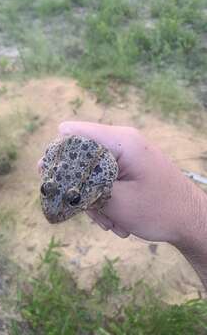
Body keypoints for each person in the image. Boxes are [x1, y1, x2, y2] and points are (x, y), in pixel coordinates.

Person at [55, 121, 207, 290]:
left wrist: (103, 193)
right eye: (45, 189)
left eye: (75, 200)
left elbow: (108, 167)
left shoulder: (99, 180)